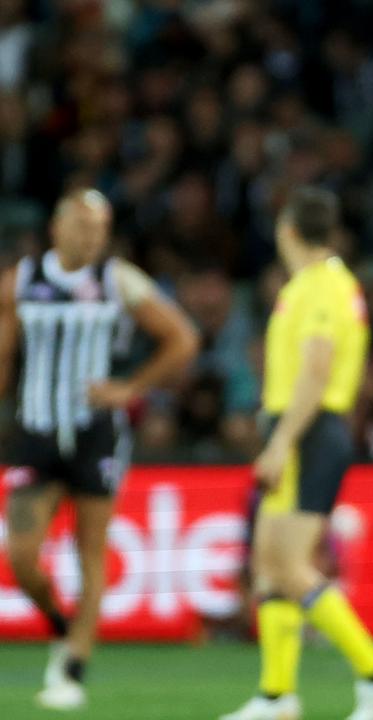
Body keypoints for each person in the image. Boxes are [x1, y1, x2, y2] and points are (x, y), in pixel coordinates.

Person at [0, 188, 199, 710]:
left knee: (90, 551)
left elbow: (181, 338)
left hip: (96, 435)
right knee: (21, 555)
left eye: (100, 230)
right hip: (36, 432)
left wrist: (131, 388)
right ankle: (59, 624)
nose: (91, 238)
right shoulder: (21, 281)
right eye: (82, 227)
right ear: (56, 228)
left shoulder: (119, 280)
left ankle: (72, 666)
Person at [220, 187, 373, 720]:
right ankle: (276, 694)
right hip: (300, 429)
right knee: (268, 565)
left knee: (287, 565)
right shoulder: (323, 284)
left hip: (307, 431)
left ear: (287, 231)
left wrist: (281, 442)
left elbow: (316, 368)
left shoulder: (322, 286)